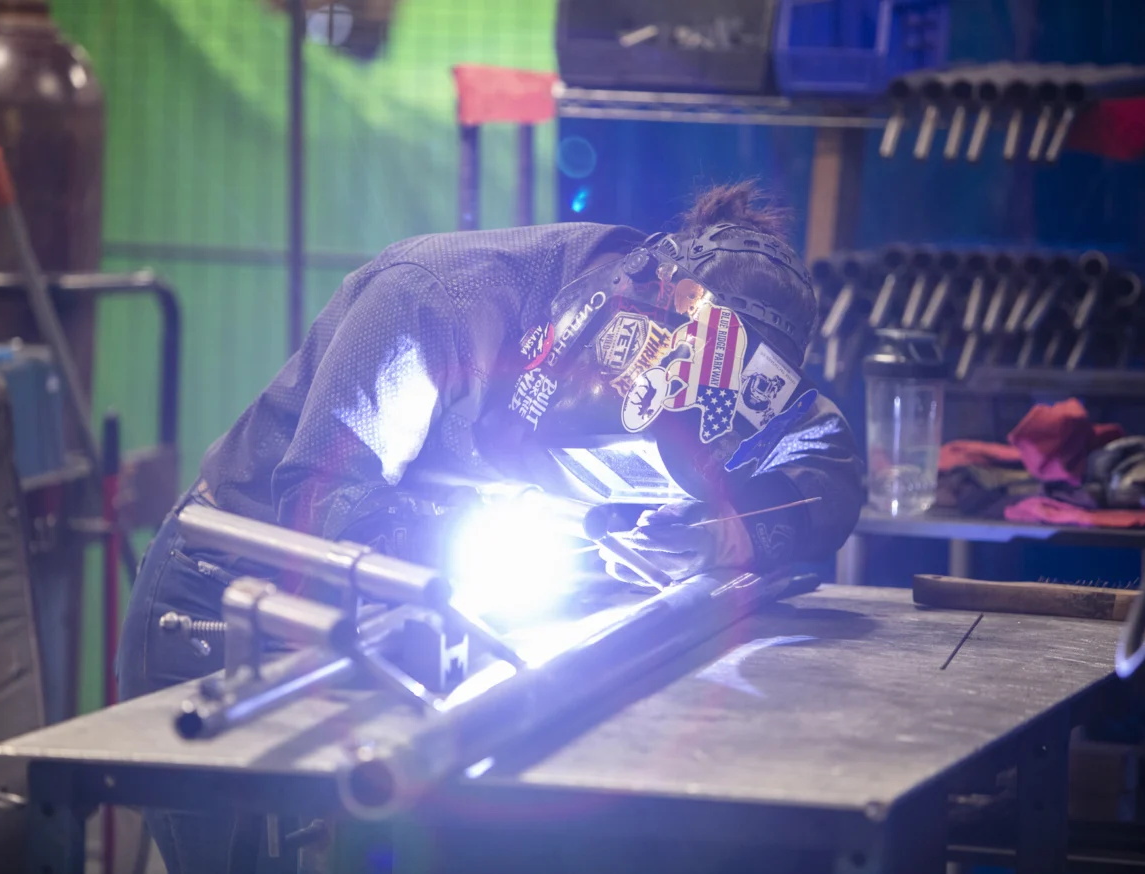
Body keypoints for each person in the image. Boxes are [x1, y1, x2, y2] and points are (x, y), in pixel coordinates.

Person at [116, 180, 865, 873]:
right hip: (228, 610)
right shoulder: (433, 302)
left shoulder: (737, 371)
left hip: (422, 635)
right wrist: (549, 549)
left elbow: (830, 473)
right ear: (629, 308)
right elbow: (323, 508)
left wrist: (722, 529)